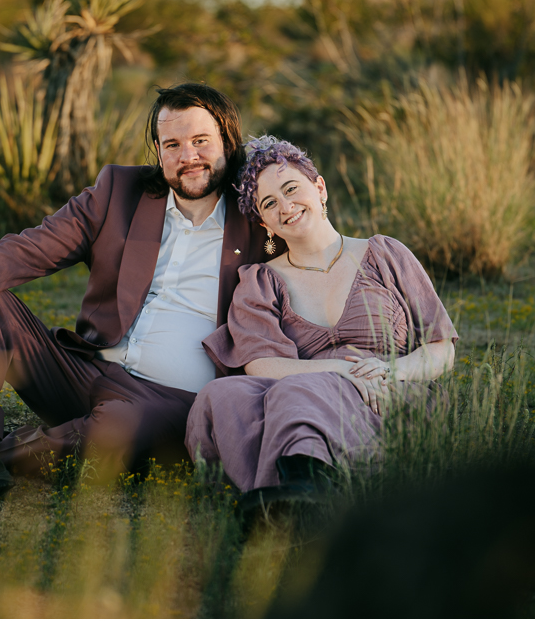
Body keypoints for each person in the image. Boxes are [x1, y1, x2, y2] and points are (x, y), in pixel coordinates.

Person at [0, 84, 283, 501]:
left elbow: (314, 263)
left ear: (228, 139)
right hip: (86, 372)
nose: (188, 157)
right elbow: (29, 249)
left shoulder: (260, 215)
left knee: (112, 435)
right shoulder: (119, 192)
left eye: (201, 141)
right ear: (157, 148)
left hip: (169, 402)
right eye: (173, 144)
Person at [185, 135, 457, 504]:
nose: (286, 206)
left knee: (297, 390)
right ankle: (290, 487)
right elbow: (262, 365)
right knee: (221, 394)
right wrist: (341, 372)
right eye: (269, 203)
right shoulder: (260, 282)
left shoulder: (385, 254)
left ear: (320, 188)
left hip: (387, 393)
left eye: (291, 188)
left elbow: (440, 349)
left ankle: (301, 489)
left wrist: (390, 370)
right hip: (303, 394)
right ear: (264, 223)